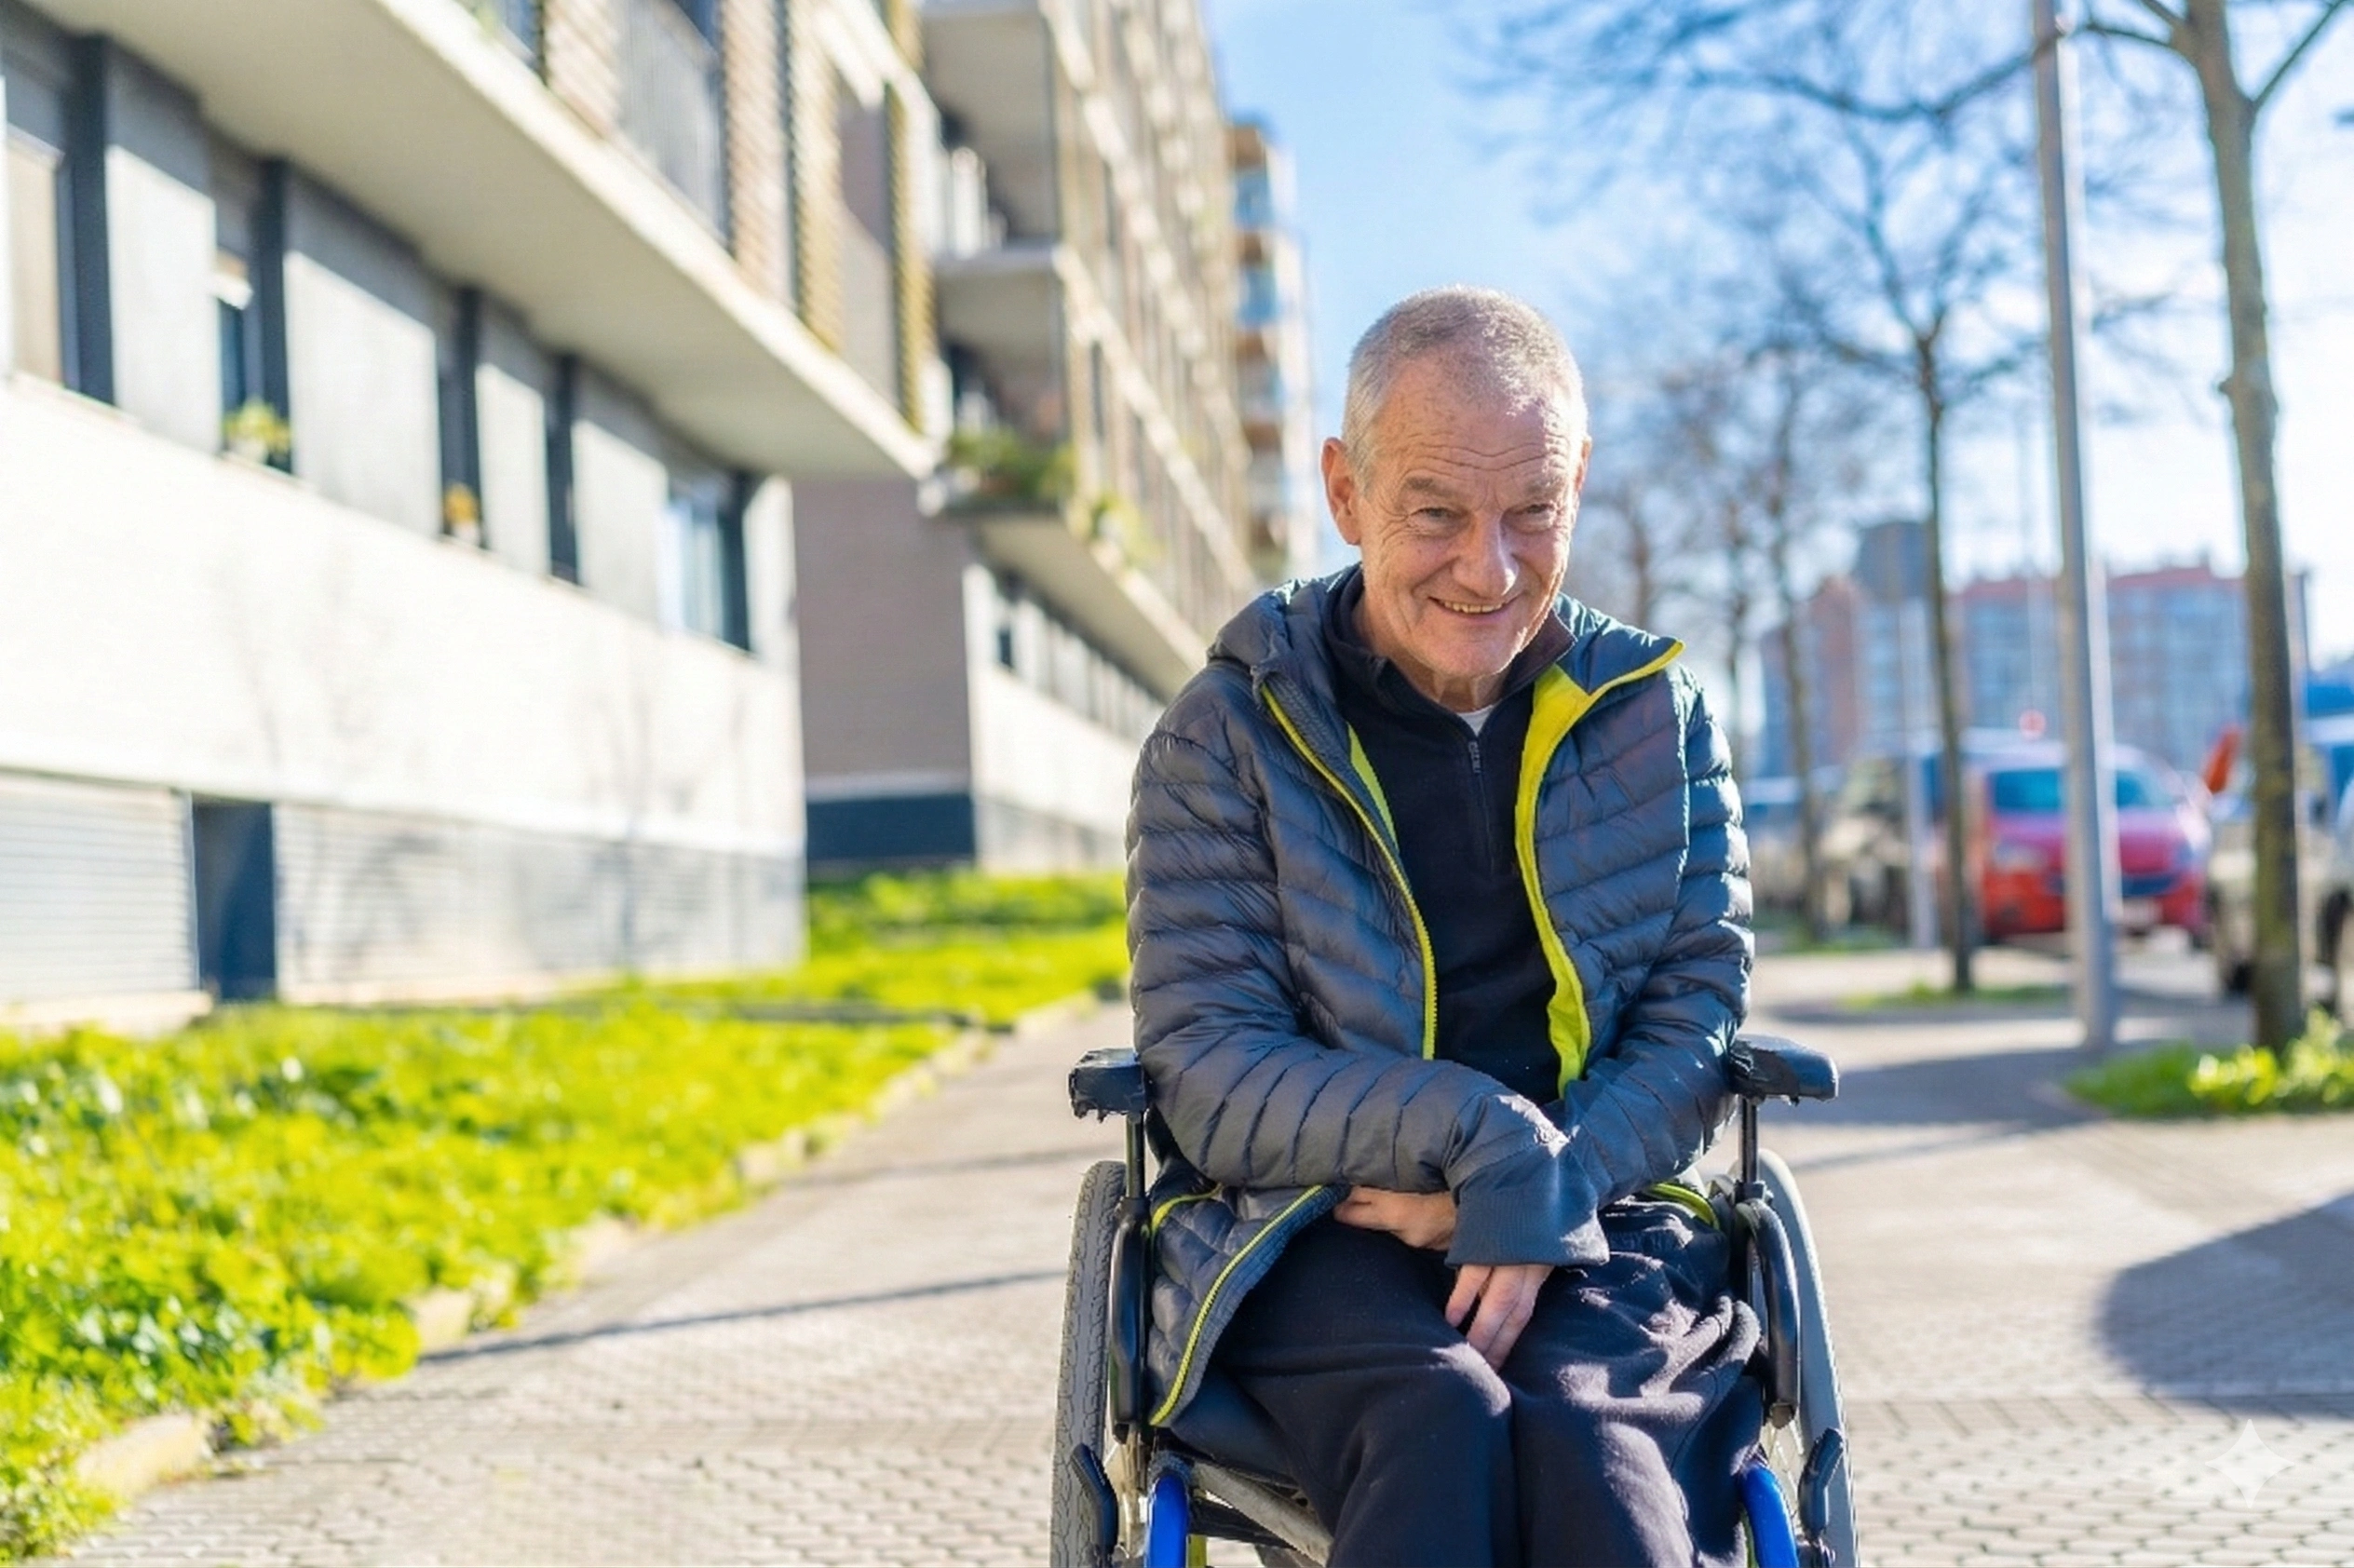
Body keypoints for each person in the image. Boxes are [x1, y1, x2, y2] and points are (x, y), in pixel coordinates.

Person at [1127, 287, 1757, 1566]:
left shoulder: (1658, 714)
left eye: (1536, 510)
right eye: (1435, 515)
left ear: (1578, 479)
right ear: (1346, 494)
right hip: (1311, 1227)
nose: (1491, 566)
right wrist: (1476, 1147)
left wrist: (1544, 1187)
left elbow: (1697, 1012)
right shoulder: (1227, 733)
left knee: (1595, 1446)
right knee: (1436, 1415)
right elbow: (1208, 1065)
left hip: (1607, 1207)